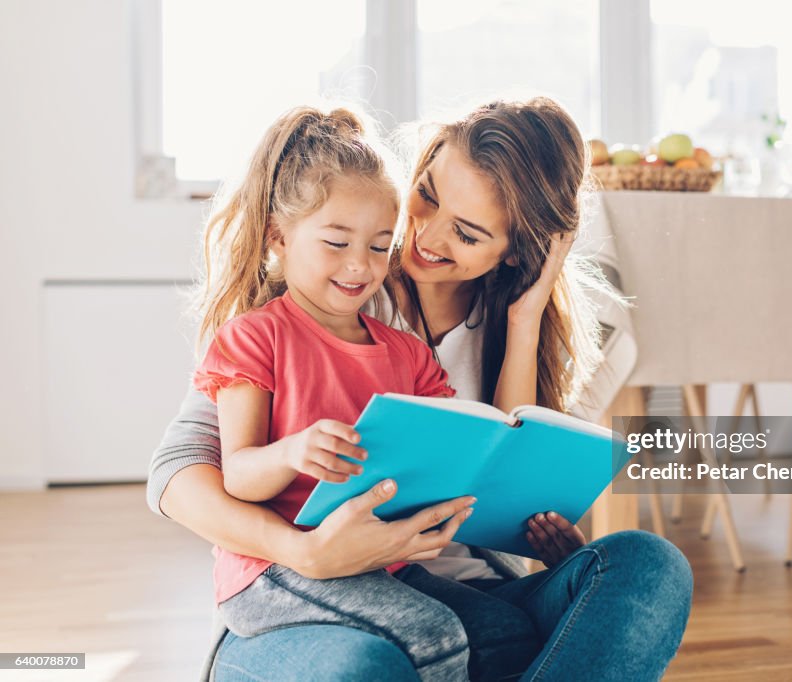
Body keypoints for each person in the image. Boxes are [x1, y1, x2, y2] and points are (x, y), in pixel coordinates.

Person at [149, 97, 693, 681]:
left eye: (466, 232)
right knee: (376, 663)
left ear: (515, 251)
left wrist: (524, 321)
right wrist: (303, 552)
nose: (424, 235)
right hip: (302, 597)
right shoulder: (319, 291)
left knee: (650, 566)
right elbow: (177, 474)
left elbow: (496, 485)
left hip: (449, 590)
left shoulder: (502, 331)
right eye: (428, 194)